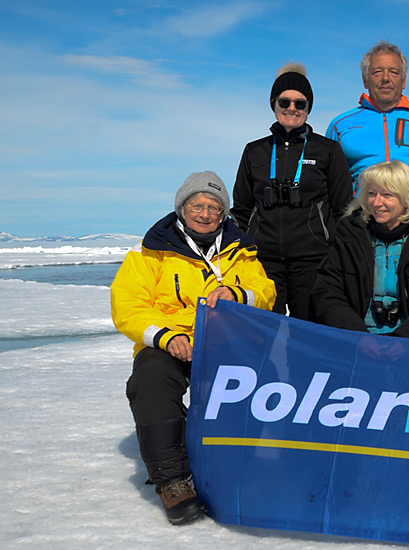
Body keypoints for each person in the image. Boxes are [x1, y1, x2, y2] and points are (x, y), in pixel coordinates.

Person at [111, 172, 277, 525]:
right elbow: (128, 306)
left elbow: (265, 291)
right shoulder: (149, 253)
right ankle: (173, 482)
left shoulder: (242, 252)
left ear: (224, 214)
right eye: (196, 205)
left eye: (214, 208)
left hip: (226, 340)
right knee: (151, 380)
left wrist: (237, 294)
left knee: (264, 376)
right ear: (181, 209)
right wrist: (167, 337)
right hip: (170, 342)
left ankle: (239, 466)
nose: (204, 213)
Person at [231, 63, 353, 320]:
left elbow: (344, 208)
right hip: (263, 261)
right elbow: (241, 208)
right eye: (284, 102)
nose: (292, 109)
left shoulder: (327, 150)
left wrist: (337, 253)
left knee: (307, 334)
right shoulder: (255, 151)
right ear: (273, 104)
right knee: (263, 334)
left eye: (301, 104)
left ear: (309, 108)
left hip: (313, 259)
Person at [311, 160, 409, 339]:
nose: (377, 202)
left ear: (407, 199)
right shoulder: (348, 236)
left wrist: (402, 340)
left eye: (387, 195)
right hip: (356, 341)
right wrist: (358, 337)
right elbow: (327, 292)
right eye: (371, 194)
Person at [325, 41, 409, 196]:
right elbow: (330, 185)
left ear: (404, 80)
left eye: (393, 72)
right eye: (377, 72)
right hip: (363, 216)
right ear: (365, 80)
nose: (385, 78)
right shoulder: (340, 126)